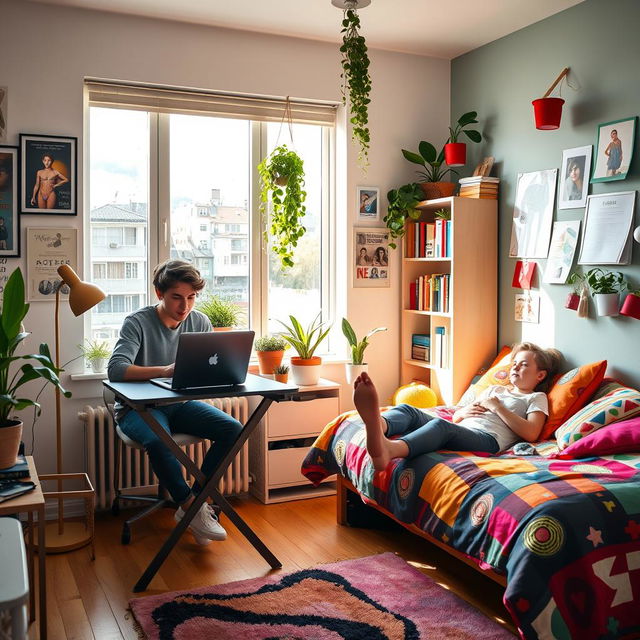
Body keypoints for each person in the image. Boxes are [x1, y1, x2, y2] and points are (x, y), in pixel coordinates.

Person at [107, 259, 243, 544]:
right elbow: (116, 369)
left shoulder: (199, 321)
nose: (185, 306)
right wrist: (165, 370)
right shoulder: (138, 322)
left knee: (233, 429)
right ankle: (190, 508)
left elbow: (205, 368)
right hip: (137, 409)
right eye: (177, 297)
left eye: (192, 298)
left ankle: (195, 503)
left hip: (178, 404)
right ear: (160, 293)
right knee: (159, 440)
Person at [353, 342, 562, 471]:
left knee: (440, 427)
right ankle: (378, 425)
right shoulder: (495, 390)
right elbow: (456, 418)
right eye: (514, 363)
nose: (515, 367)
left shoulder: (536, 397)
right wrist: (462, 412)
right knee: (409, 409)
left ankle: (390, 450)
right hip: (465, 427)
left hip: (488, 440)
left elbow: (532, 433)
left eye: (523, 364)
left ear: (540, 375)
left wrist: (498, 408)